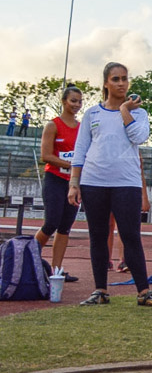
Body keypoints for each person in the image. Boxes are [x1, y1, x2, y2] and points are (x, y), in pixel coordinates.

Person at [68, 62, 152, 307]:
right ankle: (100, 290)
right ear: (106, 83)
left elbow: (138, 137)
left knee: (131, 236)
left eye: (124, 79)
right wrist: (74, 182)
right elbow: (80, 149)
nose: (121, 83)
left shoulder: (139, 113)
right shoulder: (92, 114)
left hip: (126, 183)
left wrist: (125, 110)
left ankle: (144, 292)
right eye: (115, 79)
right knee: (98, 236)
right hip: (94, 182)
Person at [34, 85, 83, 282]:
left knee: (65, 226)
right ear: (64, 101)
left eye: (79, 102)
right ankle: (27, 258)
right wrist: (70, 164)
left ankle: (56, 271)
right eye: (73, 101)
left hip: (74, 182)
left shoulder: (81, 128)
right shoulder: (53, 125)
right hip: (55, 179)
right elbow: (45, 155)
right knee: (51, 222)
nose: (77, 105)